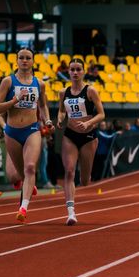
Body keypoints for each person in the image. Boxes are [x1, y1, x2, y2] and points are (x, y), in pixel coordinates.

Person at [0, 47, 53, 222]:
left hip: (32, 130)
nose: (25, 60)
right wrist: (15, 100)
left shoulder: (39, 84)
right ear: (17, 60)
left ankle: (23, 208)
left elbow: (43, 105)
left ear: (33, 61)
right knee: (18, 174)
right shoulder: (8, 82)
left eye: (28, 58)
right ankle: (30, 183)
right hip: (12, 132)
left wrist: (47, 120)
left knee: (29, 168)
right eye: (21, 57)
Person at [56, 58, 105, 225]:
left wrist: (88, 123)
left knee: (84, 180)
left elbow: (101, 114)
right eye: (72, 70)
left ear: (83, 72)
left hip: (88, 136)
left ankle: (86, 175)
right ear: (68, 72)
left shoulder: (91, 91)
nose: (75, 72)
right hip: (70, 134)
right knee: (69, 171)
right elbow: (62, 111)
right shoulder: (63, 92)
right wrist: (60, 119)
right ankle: (71, 212)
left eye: (78, 69)